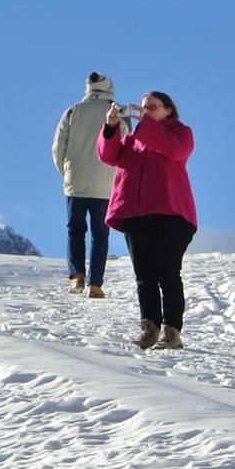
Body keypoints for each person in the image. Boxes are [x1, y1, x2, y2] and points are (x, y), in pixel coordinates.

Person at [97, 91, 196, 350]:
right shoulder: (132, 139)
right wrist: (111, 126)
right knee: (144, 275)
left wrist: (146, 123)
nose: (146, 111)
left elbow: (175, 150)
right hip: (136, 214)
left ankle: (172, 330)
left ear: (168, 110)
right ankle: (150, 327)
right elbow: (108, 155)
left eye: (153, 106)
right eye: (144, 107)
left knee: (168, 272)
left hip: (171, 213)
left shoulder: (181, 133)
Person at [51, 72, 126, 297]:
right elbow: (125, 145)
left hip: (76, 180)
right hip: (106, 182)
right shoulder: (116, 112)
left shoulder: (73, 111)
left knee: (75, 230)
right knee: (100, 234)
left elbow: (58, 146)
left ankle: (76, 277)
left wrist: (66, 171)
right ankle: (95, 285)